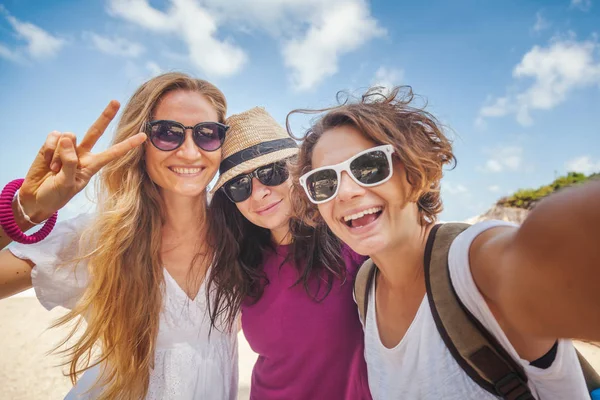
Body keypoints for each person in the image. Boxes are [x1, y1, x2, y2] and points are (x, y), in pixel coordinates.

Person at [290, 86, 600, 399]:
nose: (345, 192)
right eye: (324, 182)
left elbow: (542, 258)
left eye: (368, 166)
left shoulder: (473, 263)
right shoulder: (365, 287)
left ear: (414, 171)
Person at [0, 72, 238, 400]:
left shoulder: (241, 230)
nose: (189, 151)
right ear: (139, 143)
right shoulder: (101, 237)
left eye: (208, 134)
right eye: (167, 133)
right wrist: (25, 211)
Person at [206, 107, 372, 399]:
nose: (258, 194)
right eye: (239, 185)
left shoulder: (352, 242)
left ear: (297, 171)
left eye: (270, 173)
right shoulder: (240, 264)